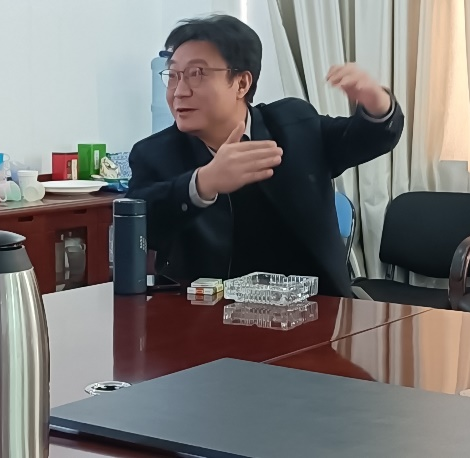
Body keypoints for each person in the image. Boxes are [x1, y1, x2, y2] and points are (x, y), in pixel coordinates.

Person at [126, 14, 404, 297]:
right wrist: (202, 183)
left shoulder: (294, 126)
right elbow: (138, 228)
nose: (179, 92)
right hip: (205, 313)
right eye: (173, 76)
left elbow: (367, 137)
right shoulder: (153, 154)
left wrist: (376, 101)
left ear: (241, 83)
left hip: (313, 307)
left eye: (196, 74)